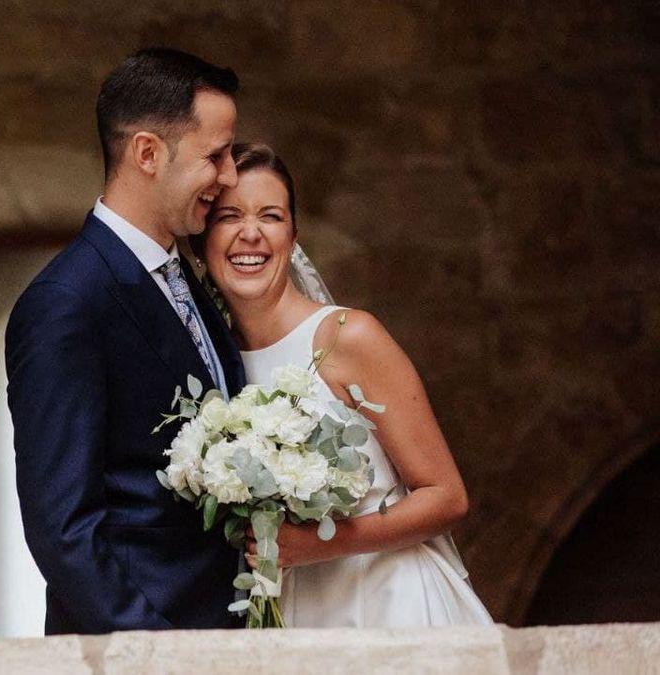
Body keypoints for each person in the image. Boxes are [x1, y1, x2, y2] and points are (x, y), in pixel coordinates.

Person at [197, 142, 493, 627]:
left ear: (292, 237)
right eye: (230, 216)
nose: (250, 234)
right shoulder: (213, 360)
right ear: (203, 237)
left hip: (388, 602)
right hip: (294, 609)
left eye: (270, 216)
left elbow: (446, 495)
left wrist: (322, 543)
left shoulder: (347, 336)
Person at [4, 48, 247, 634]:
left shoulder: (189, 275)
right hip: (143, 645)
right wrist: (157, 653)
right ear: (147, 153)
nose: (231, 175)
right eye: (215, 155)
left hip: (224, 631)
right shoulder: (66, 301)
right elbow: (64, 529)